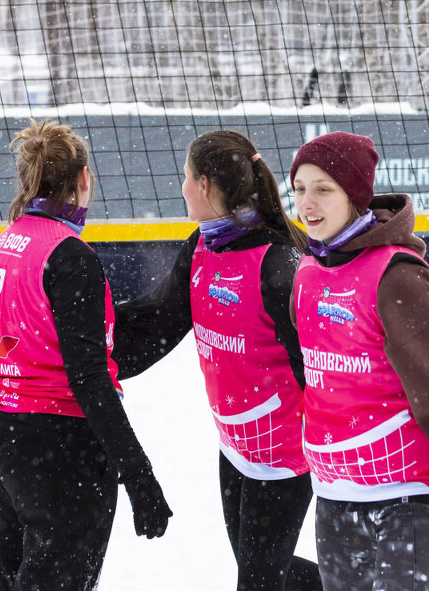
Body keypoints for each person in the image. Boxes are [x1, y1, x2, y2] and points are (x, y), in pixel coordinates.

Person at [289, 131, 429, 590]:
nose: (308, 203)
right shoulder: (307, 273)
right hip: (334, 495)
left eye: (323, 189)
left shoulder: (398, 277)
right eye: (299, 188)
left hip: (408, 496)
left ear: (356, 196)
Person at [113, 131, 322, 591]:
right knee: (269, 572)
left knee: (258, 581)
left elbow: (319, 369)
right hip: (234, 447)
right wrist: (91, 341)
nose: (182, 187)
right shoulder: (203, 245)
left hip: (285, 458)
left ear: (204, 185)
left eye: (185, 177)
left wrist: (343, 458)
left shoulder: (279, 264)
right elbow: (158, 321)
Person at [0, 119, 172, 590]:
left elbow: (55, 338)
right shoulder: (69, 256)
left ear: (27, 180)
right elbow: (90, 379)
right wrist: (139, 476)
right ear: (84, 179)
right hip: (56, 452)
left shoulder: (6, 242)